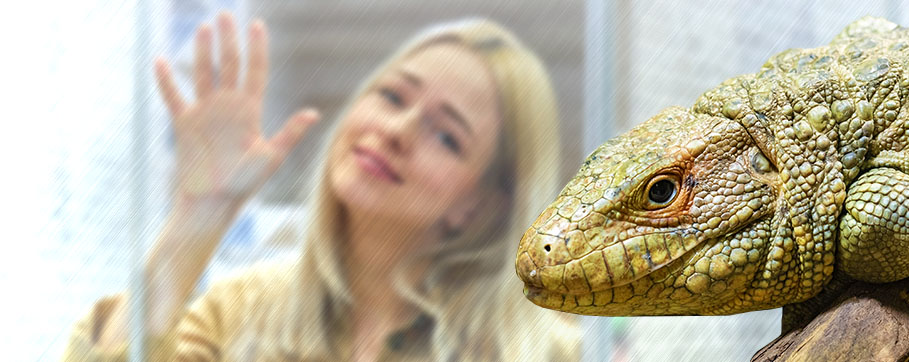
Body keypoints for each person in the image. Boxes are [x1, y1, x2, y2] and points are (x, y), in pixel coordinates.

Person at [63, 11, 580, 361]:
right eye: (394, 97)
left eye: (446, 136)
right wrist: (198, 217)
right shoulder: (239, 313)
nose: (396, 132)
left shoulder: (543, 352)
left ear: (482, 207)